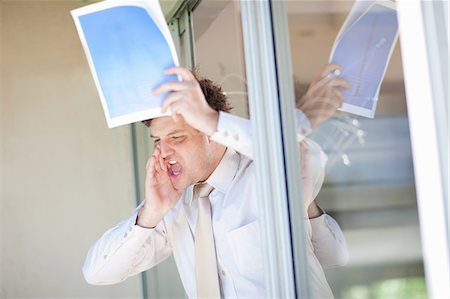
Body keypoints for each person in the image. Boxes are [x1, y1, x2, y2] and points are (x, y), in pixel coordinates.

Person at [82, 65, 350, 298]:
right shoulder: (172, 204)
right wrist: (151, 213)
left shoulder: (266, 174)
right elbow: (97, 273)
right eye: (158, 141)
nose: (163, 153)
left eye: (176, 138)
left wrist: (211, 120)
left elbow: (298, 152)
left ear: (214, 135)